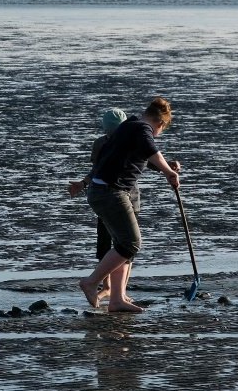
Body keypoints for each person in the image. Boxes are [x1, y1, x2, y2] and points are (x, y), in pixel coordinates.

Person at [77, 97, 180, 313]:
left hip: (103, 190)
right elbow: (150, 149)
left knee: (122, 244)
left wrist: (165, 167)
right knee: (131, 244)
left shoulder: (130, 125)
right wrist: (169, 172)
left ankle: (117, 299)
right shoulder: (143, 129)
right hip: (110, 191)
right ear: (160, 123)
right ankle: (91, 282)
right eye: (161, 130)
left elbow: (142, 156)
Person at [68, 107, 130, 303]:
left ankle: (119, 292)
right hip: (107, 199)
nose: (113, 135)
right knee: (107, 244)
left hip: (129, 198)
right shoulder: (101, 144)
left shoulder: (133, 141)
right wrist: (83, 183)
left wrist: (167, 166)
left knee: (127, 246)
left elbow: (150, 159)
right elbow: (97, 169)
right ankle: (108, 287)